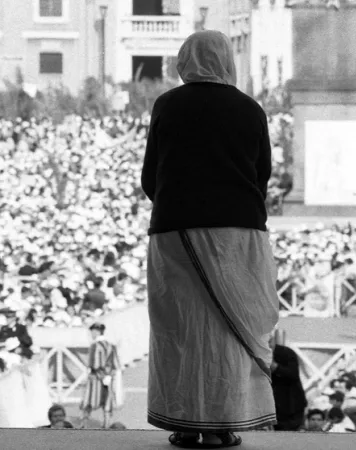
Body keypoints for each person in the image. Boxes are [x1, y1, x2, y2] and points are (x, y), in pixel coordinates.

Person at [142, 30, 279, 448]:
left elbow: (152, 175)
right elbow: (262, 174)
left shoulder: (167, 105)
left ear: (186, 59)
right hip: (239, 234)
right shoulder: (249, 109)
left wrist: (180, 201)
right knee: (229, 327)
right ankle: (224, 424)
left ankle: (184, 423)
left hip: (175, 229)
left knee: (178, 326)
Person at [79, 322, 122, 428]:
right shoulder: (111, 345)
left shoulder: (95, 346)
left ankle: (84, 424)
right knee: (107, 402)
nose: (91, 334)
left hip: (96, 378)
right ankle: (106, 423)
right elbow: (116, 364)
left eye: (92, 332)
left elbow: (94, 364)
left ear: (96, 331)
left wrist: (102, 376)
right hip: (109, 378)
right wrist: (108, 376)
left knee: (89, 400)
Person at [270, 331, 307, 431]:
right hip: (274, 408)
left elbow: (293, 374)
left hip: (292, 407)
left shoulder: (287, 353)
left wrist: (275, 367)